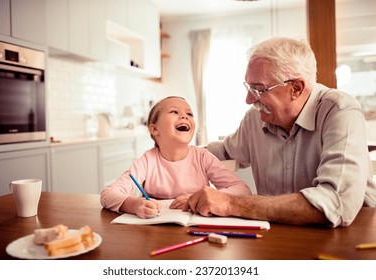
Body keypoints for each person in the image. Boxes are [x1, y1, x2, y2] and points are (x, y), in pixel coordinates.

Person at [182, 37, 376, 228]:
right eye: (249, 88)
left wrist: (230, 203)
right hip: (278, 234)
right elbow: (223, 152)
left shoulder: (340, 110)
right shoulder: (254, 118)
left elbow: (336, 202)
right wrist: (174, 151)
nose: (249, 99)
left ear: (296, 88)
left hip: (349, 236)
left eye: (259, 89)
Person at [100, 96, 251, 218]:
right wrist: (133, 204)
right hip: (156, 233)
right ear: (154, 129)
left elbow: (242, 190)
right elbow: (108, 195)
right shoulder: (147, 161)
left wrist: (207, 197)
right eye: (174, 112)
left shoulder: (203, 157)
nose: (184, 116)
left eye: (189, 114)